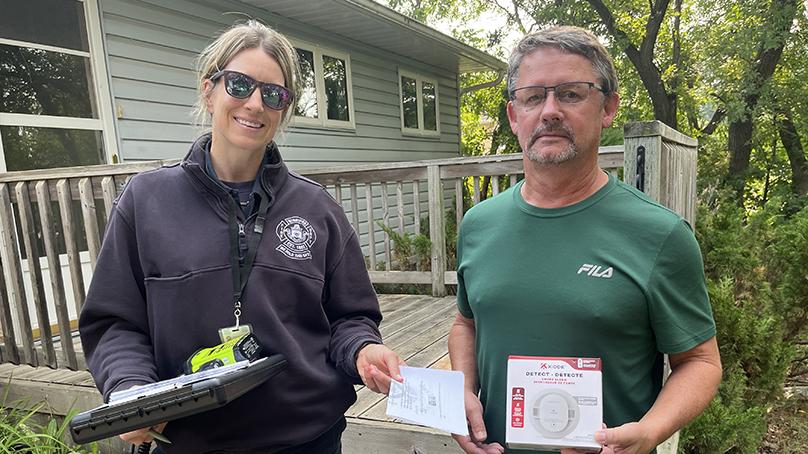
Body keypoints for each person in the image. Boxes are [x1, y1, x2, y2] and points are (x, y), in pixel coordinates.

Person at [79, 20, 404, 453]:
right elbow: (113, 322)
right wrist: (131, 389)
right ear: (208, 90)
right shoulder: (145, 201)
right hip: (190, 441)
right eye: (239, 84)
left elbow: (350, 316)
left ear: (284, 110)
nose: (255, 104)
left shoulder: (318, 208)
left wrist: (363, 349)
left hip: (308, 439)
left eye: (274, 94)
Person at [448, 26, 722, 454]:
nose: (550, 111)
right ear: (514, 115)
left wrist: (651, 431)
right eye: (533, 97)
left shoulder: (659, 234)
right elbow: (466, 323)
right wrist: (463, 390)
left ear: (608, 108)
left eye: (571, 94)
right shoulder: (478, 224)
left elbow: (700, 361)